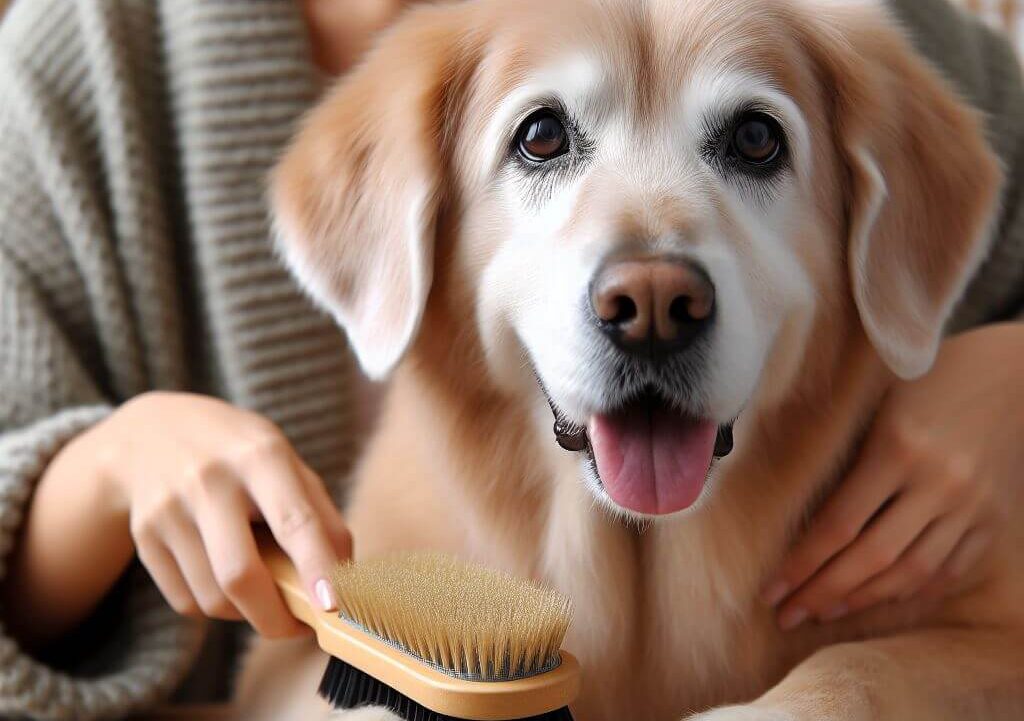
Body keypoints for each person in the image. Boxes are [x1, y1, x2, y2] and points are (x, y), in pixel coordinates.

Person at [0, 0, 1020, 718]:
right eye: (541, 141)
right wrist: (104, 468)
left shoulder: (853, 30)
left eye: (751, 144)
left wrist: (1013, 372)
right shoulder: (83, 55)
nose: (652, 291)